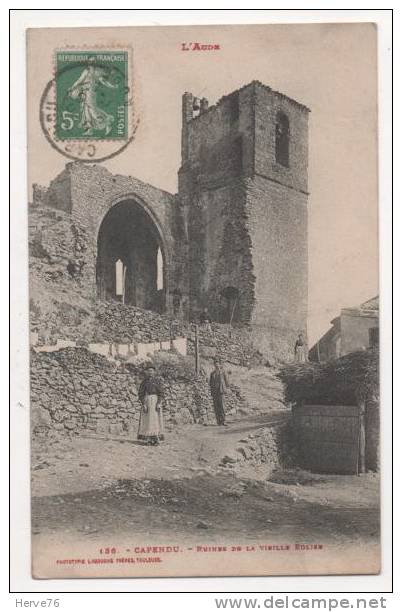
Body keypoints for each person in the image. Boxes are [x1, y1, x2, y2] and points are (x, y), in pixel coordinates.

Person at [137, 365, 165, 445]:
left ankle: (156, 439)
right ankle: (148, 439)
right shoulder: (144, 382)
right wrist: (144, 404)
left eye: (152, 371)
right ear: (147, 372)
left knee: (155, 420)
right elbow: (141, 393)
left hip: (155, 401)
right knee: (148, 420)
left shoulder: (157, 381)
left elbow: (161, 393)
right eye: (149, 371)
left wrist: (159, 403)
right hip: (147, 401)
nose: (150, 372)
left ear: (154, 372)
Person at [209, 358, 229, 426]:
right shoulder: (212, 373)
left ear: (220, 364)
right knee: (216, 407)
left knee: (222, 407)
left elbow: (226, 381)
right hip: (215, 392)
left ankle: (224, 421)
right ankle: (218, 421)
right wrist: (212, 391)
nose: (216, 365)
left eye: (217, 363)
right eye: (215, 363)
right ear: (214, 365)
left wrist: (226, 389)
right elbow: (210, 383)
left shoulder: (223, 372)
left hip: (221, 391)